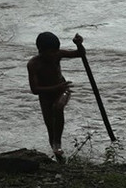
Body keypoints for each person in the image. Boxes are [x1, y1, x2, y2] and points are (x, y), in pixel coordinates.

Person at [28, 32, 85, 160]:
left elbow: (80, 54)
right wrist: (55, 88)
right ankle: (59, 159)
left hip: (62, 90)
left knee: (58, 107)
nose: (54, 54)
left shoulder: (58, 54)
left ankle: (58, 143)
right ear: (41, 51)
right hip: (46, 95)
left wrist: (79, 44)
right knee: (50, 127)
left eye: (55, 51)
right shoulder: (33, 64)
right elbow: (35, 89)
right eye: (50, 52)